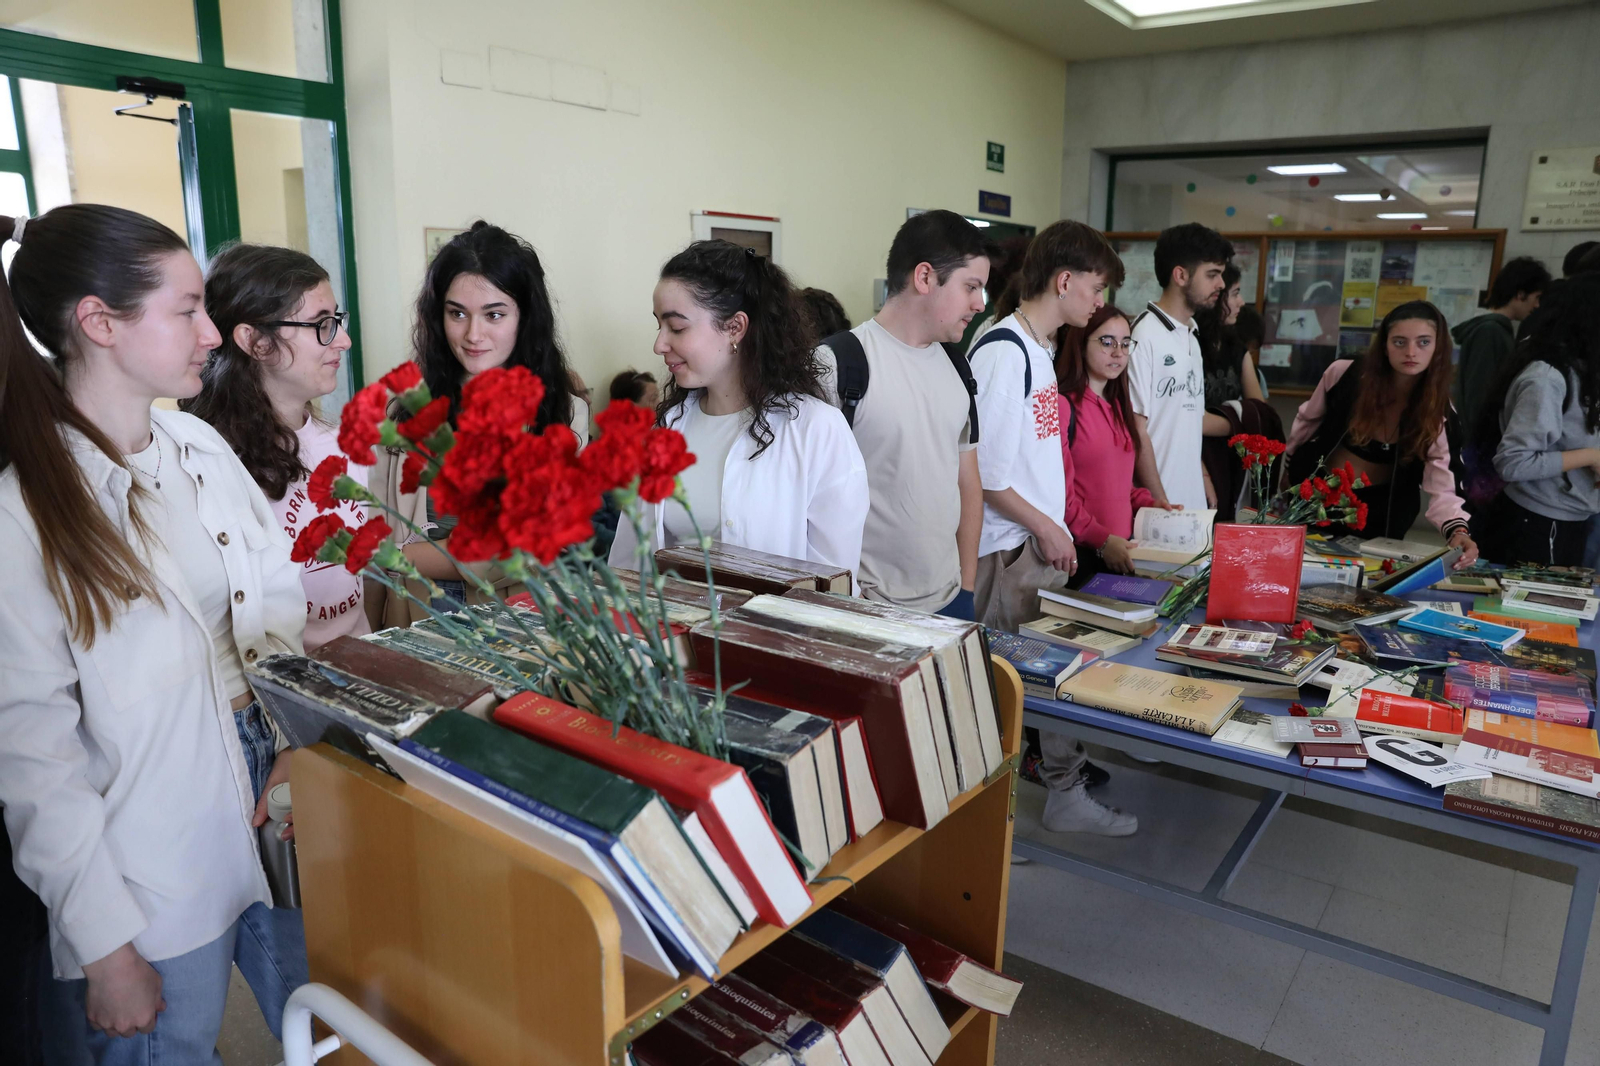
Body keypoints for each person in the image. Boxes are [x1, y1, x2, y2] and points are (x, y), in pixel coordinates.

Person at [0, 205, 307, 1062]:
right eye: (186, 310)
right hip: (150, 857)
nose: (213, 333)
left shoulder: (195, 444)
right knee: (173, 1044)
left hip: (269, 795)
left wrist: (291, 734)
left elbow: (273, 595)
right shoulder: (25, 513)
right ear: (99, 323)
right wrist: (105, 944)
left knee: (323, 1021)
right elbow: (35, 761)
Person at [610, 240, 867, 576]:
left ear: (735, 328)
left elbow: (831, 583)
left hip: (775, 628)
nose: (659, 344)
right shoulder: (667, 430)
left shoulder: (817, 430)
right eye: (659, 325)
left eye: (677, 327)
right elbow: (630, 562)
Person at [182, 243, 386, 650]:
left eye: (337, 320)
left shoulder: (342, 443)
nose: (343, 341)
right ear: (256, 342)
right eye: (321, 324)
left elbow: (364, 576)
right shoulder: (208, 465)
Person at [815, 210, 989, 619]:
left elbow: (968, 482)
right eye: (971, 287)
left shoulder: (958, 368)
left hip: (949, 601)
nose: (979, 304)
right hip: (863, 609)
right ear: (925, 278)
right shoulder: (836, 364)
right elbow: (803, 502)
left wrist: (966, 587)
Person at [410, 220, 580, 606]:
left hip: (517, 616)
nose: (473, 334)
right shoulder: (404, 408)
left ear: (525, 317)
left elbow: (502, 553)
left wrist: (385, 557)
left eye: (494, 315)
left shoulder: (564, 413)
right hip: (415, 610)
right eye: (457, 314)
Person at [969, 220, 1123, 632]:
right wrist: (1048, 529)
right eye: (1096, 288)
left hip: (1037, 548)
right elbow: (984, 476)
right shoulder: (1005, 352)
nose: (1098, 301)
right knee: (1004, 683)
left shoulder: (1041, 349)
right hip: (1010, 552)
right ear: (1065, 280)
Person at [1284, 301, 1479, 564]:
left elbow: (1443, 483)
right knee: (1297, 569)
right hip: (1318, 493)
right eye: (1399, 342)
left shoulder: (1439, 413)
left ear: (1438, 348)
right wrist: (1287, 473)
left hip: (1380, 512)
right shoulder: (1345, 373)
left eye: (1423, 342)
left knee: (1364, 583)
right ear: (1384, 346)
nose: (1411, 352)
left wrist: (1458, 530)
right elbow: (1306, 423)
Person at [1476, 273, 1600, 567]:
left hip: (1569, 517)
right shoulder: (1547, 378)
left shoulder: (1584, 370)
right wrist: (1590, 456)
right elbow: (1513, 462)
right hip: (1537, 522)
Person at [1128, 223, 1233, 511]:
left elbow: (1186, 420)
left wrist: (1202, 474)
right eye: (1213, 275)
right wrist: (1160, 500)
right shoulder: (1142, 336)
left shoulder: (1191, 334)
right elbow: (1137, 432)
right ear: (1180, 275)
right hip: (1158, 506)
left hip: (1191, 500)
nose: (1221, 285)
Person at [1452, 256, 1551, 434]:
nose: (1537, 305)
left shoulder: (1498, 330)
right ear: (1520, 294)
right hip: (1476, 440)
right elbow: (1478, 392)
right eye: (1536, 297)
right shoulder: (1490, 332)